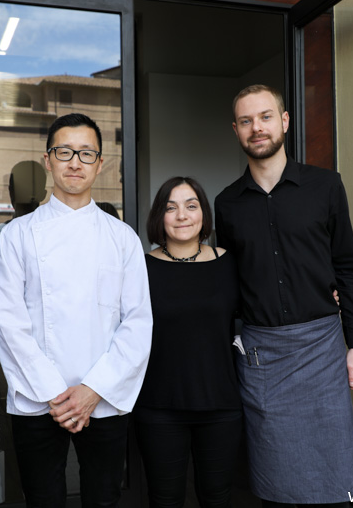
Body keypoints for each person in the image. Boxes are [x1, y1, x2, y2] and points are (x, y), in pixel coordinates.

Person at [214, 84, 353, 507]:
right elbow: (228, 284)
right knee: (274, 481)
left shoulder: (325, 186)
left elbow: (348, 268)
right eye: (246, 121)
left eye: (265, 117)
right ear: (236, 130)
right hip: (263, 355)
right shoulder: (226, 203)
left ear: (284, 121)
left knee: (337, 479)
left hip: (322, 350)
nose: (257, 128)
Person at [0, 113, 153, 507]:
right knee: (42, 499)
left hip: (104, 396)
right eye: (65, 152)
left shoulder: (122, 238)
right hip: (36, 398)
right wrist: (55, 395)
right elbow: (8, 322)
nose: (75, 162)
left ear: (99, 164)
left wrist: (92, 390)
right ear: (48, 160)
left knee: (104, 498)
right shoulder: (17, 235)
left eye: (86, 153)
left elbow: (137, 323)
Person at [135, 176, 242, 508]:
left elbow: (266, 299)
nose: (182, 215)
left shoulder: (230, 262)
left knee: (218, 497)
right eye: (171, 207)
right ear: (159, 217)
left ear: (203, 214)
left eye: (191, 206)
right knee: (165, 499)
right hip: (159, 405)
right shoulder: (141, 267)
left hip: (221, 403)